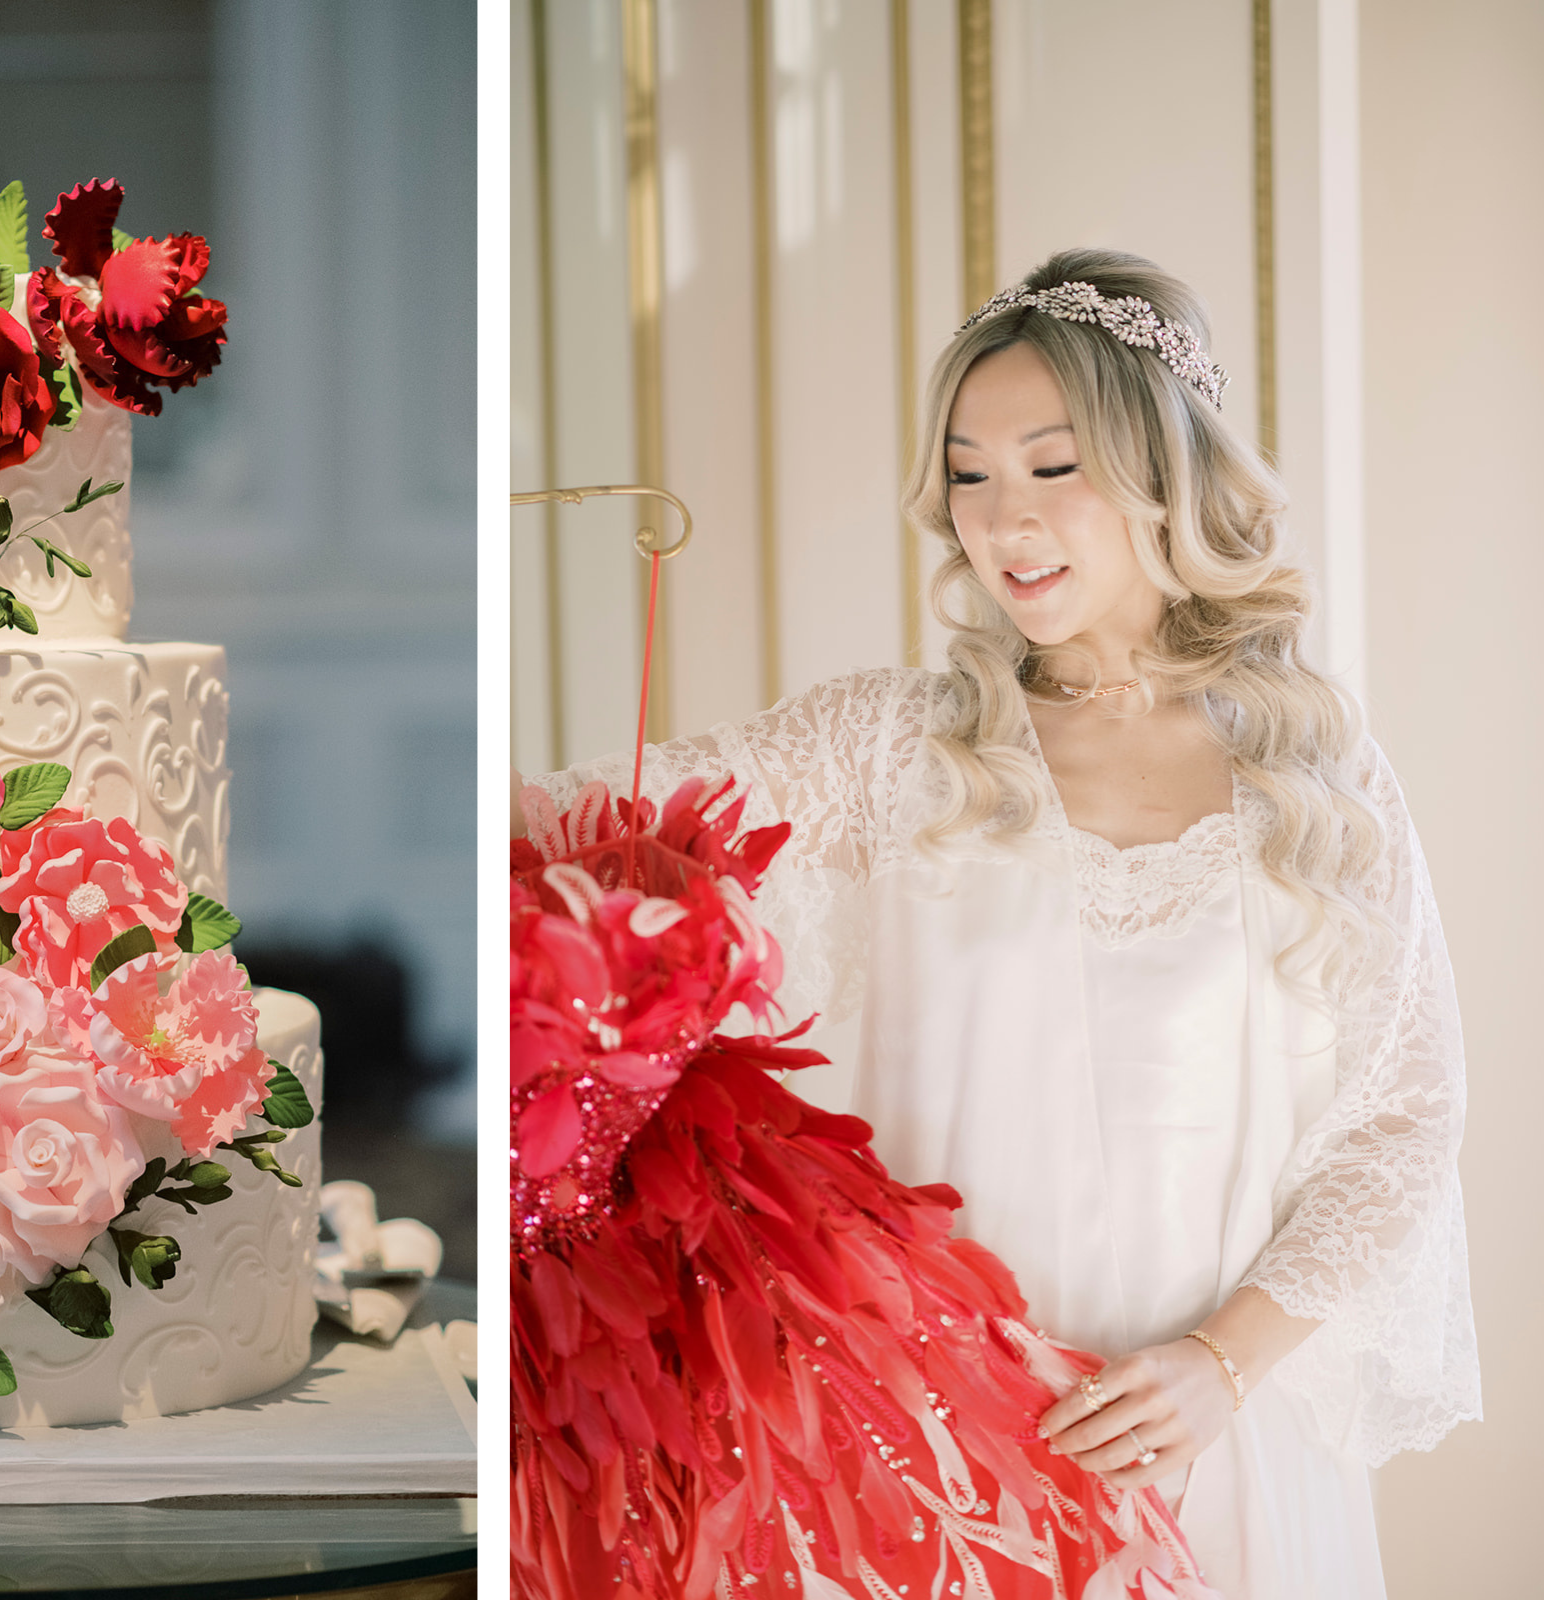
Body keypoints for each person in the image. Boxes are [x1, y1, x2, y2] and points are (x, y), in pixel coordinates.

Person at [518, 248, 1479, 1599]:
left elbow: (1404, 1119)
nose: (1001, 520)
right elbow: (580, 818)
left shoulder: (1315, 767)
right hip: (936, 1462)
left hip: (1214, 1456)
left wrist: (1223, 1368)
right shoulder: (887, 743)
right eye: (969, 474)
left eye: (1052, 464)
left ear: (1166, 471)